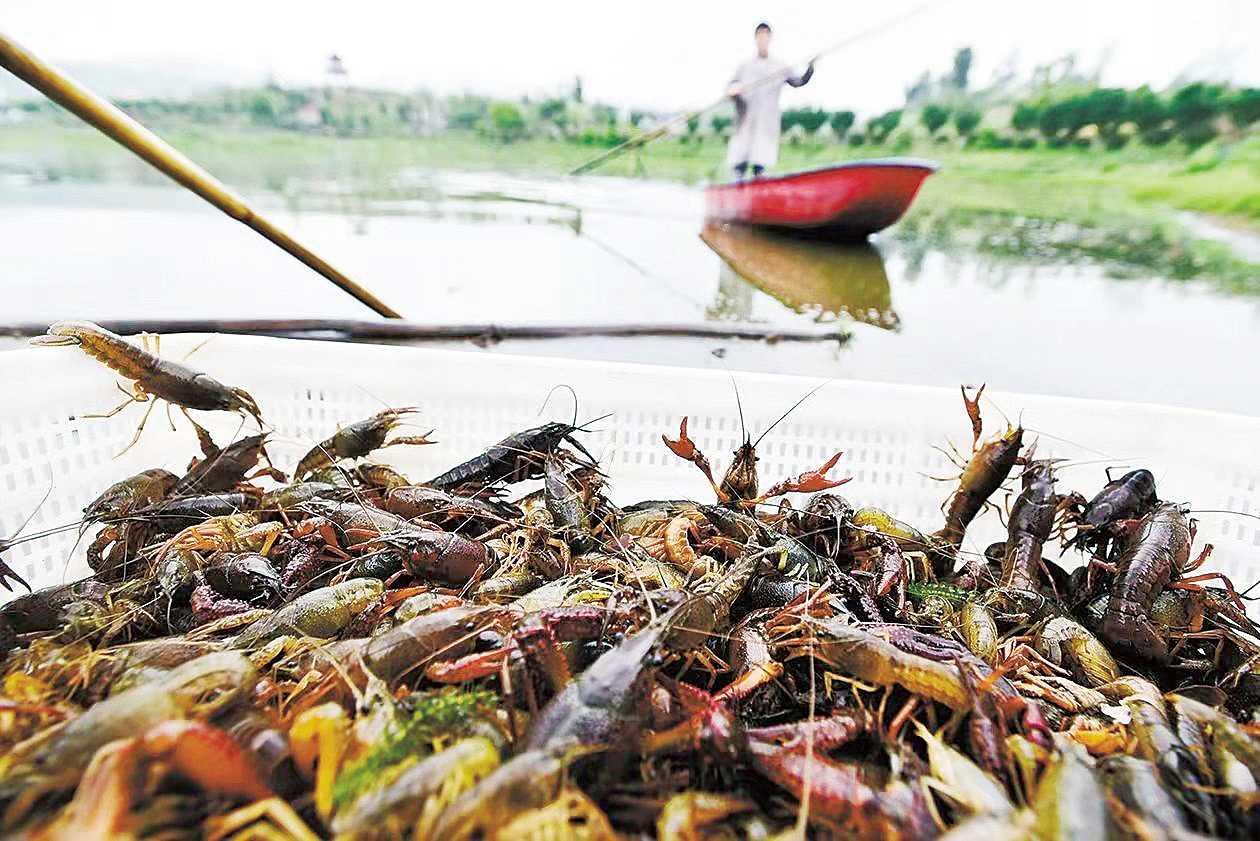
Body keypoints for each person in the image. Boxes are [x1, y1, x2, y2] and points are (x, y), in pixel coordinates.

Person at [725, 22, 815, 179]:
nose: (763, 40)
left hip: (767, 122)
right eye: (760, 36)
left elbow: (798, 81)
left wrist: (810, 69)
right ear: (756, 38)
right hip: (746, 120)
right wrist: (733, 91)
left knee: (760, 163)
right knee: (740, 163)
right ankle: (737, 189)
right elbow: (730, 88)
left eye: (766, 36)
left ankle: (759, 185)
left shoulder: (779, 66)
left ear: (770, 38)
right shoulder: (745, 66)